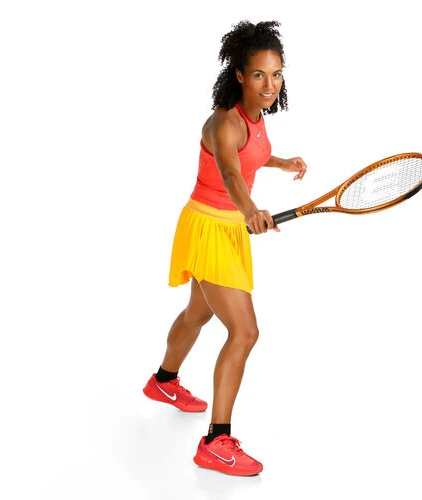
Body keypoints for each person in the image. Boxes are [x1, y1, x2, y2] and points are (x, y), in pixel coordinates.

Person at [143, 19, 308, 476]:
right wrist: (251, 209)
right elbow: (232, 174)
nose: (269, 85)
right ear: (239, 74)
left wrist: (282, 163)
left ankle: (163, 382)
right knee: (245, 332)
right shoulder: (223, 122)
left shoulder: (255, 118)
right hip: (210, 228)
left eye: (276, 74)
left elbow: (250, 156)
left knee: (198, 313)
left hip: (226, 226)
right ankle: (216, 442)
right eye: (258, 75)